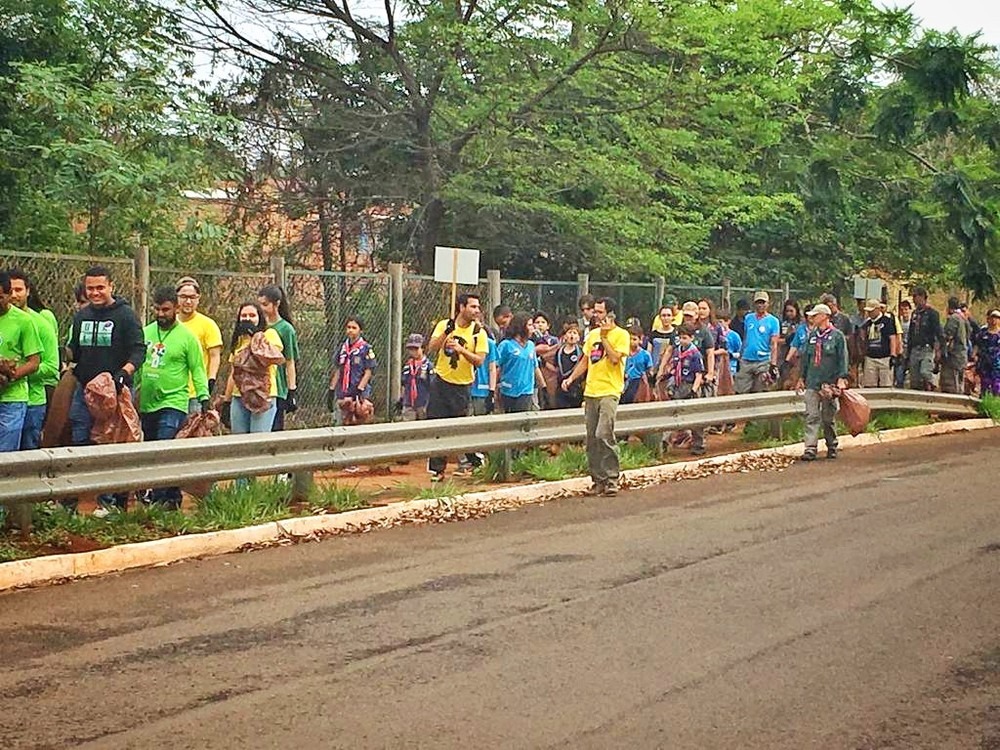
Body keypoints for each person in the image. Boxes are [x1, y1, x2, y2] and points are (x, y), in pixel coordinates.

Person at [67, 266, 145, 512]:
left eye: (100, 287)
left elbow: (139, 351)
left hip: (114, 393)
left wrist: (124, 373)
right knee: (80, 439)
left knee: (111, 444)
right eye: (90, 288)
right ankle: (81, 497)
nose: (95, 292)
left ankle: (111, 502)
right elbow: (74, 351)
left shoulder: (126, 316)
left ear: (111, 286)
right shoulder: (81, 317)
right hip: (85, 391)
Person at [134, 286, 210, 509]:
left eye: (165, 310)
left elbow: (197, 369)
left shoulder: (187, 338)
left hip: (174, 401)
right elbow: (137, 363)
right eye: (157, 309)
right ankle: (171, 495)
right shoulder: (146, 333)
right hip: (147, 402)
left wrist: (204, 396)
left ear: (176, 308)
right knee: (151, 448)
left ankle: (159, 500)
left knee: (165, 445)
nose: (161, 314)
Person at [560, 297, 629, 496]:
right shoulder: (592, 335)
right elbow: (586, 360)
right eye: (595, 311)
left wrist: (605, 337)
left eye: (600, 312)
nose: (595, 315)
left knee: (603, 434)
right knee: (591, 439)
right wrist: (571, 378)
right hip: (591, 391)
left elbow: (614, 358)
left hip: (610, 391)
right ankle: (598, 480)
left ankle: (612, 478)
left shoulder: (621, 335)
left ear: (610, 314)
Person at [425, 293, 488, 481]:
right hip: (441, 381)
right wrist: (446, 333)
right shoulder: (445, 325)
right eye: (473, 306)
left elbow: (479, 361)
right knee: (437, 425)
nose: (476, 310)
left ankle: (475, 461)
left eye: (478, 307)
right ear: (461, 307)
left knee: (460, 428)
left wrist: (462, 350)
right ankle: (437, 469)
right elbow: (432, 347)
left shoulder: (478, 332)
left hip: (462, 386)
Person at [7, 270, 58, 450]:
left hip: (32, 402)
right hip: (5, 400)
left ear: (28, 291)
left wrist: (19, 372)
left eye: (19, 290)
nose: (14, 295)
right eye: (9, 290)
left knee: (28, 453)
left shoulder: (41, 324)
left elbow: (52, 366)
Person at [796, 303, 849, 461]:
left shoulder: (837, 336)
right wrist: (801, 378)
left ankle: (832, 445)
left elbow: (843, 358)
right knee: (811, 415)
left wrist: (841, 378)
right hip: (812, 381)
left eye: (815, 315)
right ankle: (810, 448)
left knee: (828, 417)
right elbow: (806, 358)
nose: (812, 318)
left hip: (829, 383)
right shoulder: (812, 336)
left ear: (824, 316)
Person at [223, 301, 283, 434]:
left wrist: (255, 334)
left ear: (259, 317)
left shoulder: (270, 334)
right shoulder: (239, 340)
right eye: (244, 316)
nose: (248, 319)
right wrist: (226, 401)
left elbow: (271, 356)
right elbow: (233, 373)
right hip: (239, 395)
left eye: (252, 315)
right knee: (239, 438)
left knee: (258, 437)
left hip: (262, 395)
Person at [0, 270, 41, 453]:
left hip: (12, 399)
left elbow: (34, 362)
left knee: (6, 454)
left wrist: (10, 375)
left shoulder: (24, 321)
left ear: (9, 295)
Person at [176, 276, 223, 414]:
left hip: (195, 393)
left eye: (192, 297)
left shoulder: (208, 325)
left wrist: (211, 380)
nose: (188, 301)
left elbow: (214, 356)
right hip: (173, 393)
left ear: (198, 299)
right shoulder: (169, 324)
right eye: (183, 297)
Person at [258, 285, 298, 430]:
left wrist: (291, 390)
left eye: (265, 304)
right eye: (260, 304)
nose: (261, 308)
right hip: (258, 385)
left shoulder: (286, 329)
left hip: (278, 387)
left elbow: (290, 361)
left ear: (277, 304)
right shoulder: (260, 325)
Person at [329, 316, 377, 426]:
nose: (350, 330)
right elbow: (338, 370)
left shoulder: (365, 349)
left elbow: (368, 371)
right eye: (348, 327)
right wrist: (331, 389)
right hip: (343, 393)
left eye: (354, 328)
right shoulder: (342, 348)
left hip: (359, 393)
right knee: (341, 422)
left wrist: (360, 389)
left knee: (358, 421)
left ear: (360, 330)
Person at [666, 324, 706, 454]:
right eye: (680, 338)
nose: (682, 341)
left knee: (695, 417)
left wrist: (693, 390)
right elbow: (675, 367)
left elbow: (699, 374)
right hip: (678, 385)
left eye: (685, 338)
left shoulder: (695, 354)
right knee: (673, 414)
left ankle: (698, 445)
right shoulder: (677, 351)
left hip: (690, 386)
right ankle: (666, 442)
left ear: (691, 338)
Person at [496, 313, 545, 413]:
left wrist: (544, 387)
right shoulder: (506, 345)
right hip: (508, 390)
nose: (533, 328)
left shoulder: (531, 345)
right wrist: (493, 388)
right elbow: (497, 367)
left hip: (526, 390)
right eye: (530, 325)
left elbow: (535, 367)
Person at [735, 291, 780, 394]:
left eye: (763, 302)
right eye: (758, 302)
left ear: (768, 304)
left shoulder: (773, 321)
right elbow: (746, 337)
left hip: (763, 360)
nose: (760, 305)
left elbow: (774, 343)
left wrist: (773, 364)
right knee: (741, 390)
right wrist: (741, 356)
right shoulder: (748, 318)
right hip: (747, 359)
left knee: (760, 389)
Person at [907, 286, 942, 392]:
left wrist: (938, 350)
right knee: (914, 377)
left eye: (915, 296)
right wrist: (908, 351)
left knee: (925, 372)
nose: (914, 299)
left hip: (926, 348)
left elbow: (938, 332)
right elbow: (911, 332)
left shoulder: (932, 314)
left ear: (922, 297)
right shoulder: (914, 314)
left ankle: (933, 386)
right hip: (914, 348)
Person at [860, 298, 900, 388]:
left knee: (886, 384)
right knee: (869, 385)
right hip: (870, 357)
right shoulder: (867, 324)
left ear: (878, 309)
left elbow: (892, 338)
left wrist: (893, 354)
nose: (869, 313)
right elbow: (863, 339)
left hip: (884, 357)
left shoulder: (887, 321)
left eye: (871, 311)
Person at [399, 333, 431, 421]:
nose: (413, 352)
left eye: (416, 349)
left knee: (424, 424)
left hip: (423, 402)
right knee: (408, 424)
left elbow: (431, 385)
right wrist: (402, 398)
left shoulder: (428, 366)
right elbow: (404, 383)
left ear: (423, 348)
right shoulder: (407, 366)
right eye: (411, 349)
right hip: (409, 402)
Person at [940, 297, 969, 394]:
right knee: (960, 381)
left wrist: (942, 350)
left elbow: (948, 336)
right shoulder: (964, 318)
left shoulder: (954, 318)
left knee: (952, 383)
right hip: (962, 354)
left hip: (954, 356)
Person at [532, 311, 560, 409]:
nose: (540, 325)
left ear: (548, 326)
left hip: (550, 375)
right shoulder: (529, 340)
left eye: (543, 322)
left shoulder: (554, 340)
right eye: (537, 322)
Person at [621, 326, 654, 405]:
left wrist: (648, 374)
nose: (631, 342)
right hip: (624, 381)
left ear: (640, 339)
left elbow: (650, 370)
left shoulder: (645, 354)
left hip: (639, 382)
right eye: (629, 339)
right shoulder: (623, 353)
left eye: (634, 339)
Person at [554, 323, 584, 409]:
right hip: (561, 387)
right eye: (570, 332)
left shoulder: (581, 351)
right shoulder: (559, 352)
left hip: (576, 387)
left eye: (574, 333)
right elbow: (556, 368)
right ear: (565, 336)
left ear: (578, 337)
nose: (572, 335)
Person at [971, 309, 1000, 396]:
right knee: (985, 383)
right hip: (984, 363)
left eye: (997, 318)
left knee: (996, 385)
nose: (994, 320)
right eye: (993, 317)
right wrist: (974, 356)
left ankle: (995, 400)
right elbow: (977, 345)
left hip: (997, 364)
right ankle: (984, 399)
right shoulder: (983, 333)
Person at [778, 299, 804, 388]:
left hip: (797, 355)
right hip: (784, 353)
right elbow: (776, 338)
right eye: (787, 311)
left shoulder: (802, 324)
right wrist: (785, 340)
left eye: (791, 311)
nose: (789, 313)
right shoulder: (782, 323)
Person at [894, 299, 912, 388]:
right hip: (900, 351)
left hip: (910, 350)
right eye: (902, 310)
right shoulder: (898, 322)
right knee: (899, 373)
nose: (904, 311)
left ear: (910, 310)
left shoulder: (913, 322)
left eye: (906, 309)